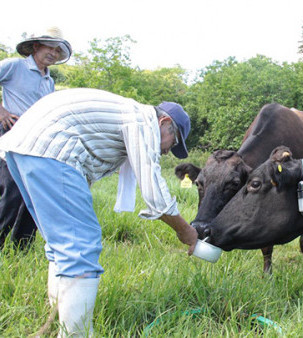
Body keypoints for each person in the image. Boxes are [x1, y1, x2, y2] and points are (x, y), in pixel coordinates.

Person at [0, 88, 198, 337]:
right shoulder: (142, 121)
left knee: (62, 243)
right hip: (51, 148)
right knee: (80, 244)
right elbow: (155, 195)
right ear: (164, 122)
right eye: (174, 142)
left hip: (24, 147)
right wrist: (186, 231)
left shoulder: (125, 115)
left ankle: (61, 319)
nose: (167, 151)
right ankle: (76, 332)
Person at [0, 27, 72, 250]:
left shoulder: (48, 81)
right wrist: (1, 111)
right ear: (36, 46)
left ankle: (22, 247)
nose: (53, 53)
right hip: (11, 133)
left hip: (36, 141)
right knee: (11, 189)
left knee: (34, 192)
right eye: (49, 47)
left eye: (58, 50)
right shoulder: (14, 66)